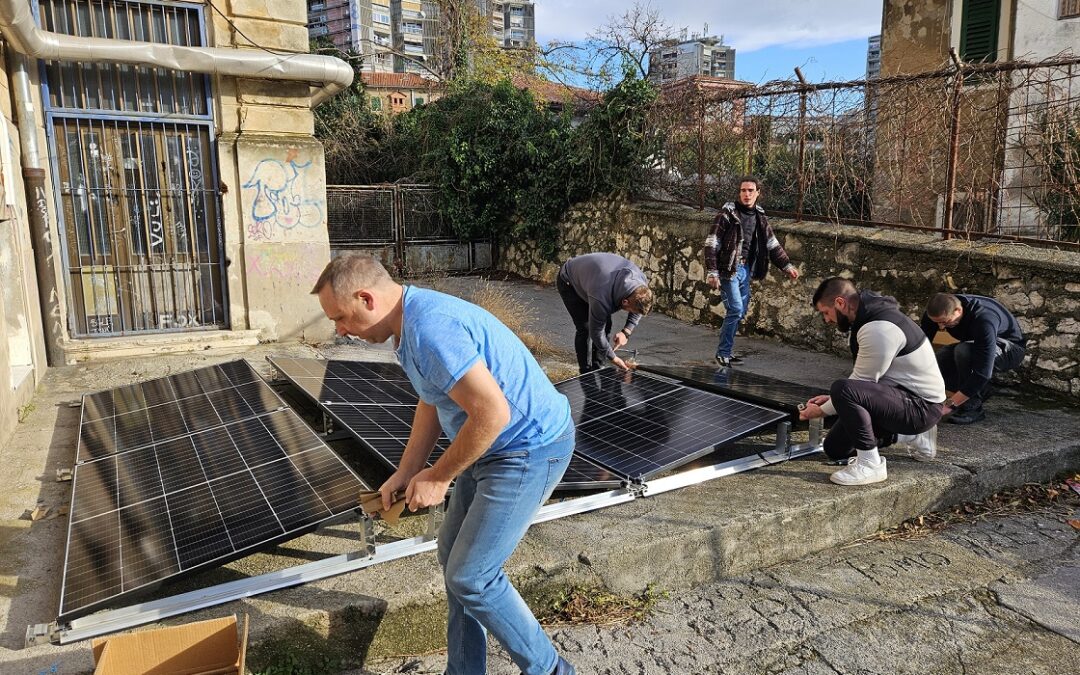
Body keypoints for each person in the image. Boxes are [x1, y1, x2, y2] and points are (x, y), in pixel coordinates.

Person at [312, 255, 577, 675]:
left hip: (529, 449)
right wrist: (406, 470)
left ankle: (553, 671)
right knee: (452, 556)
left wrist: (438, 476)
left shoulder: (430, 327)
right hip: (491, 446)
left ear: (366, 298)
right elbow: (434, 397)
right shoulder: (408, 323)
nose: (340, 331)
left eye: (341, 318)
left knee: (473, 576)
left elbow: (493, 415)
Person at [799, 278, 946, 486]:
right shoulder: (867, 318)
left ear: (840, 303)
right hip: (898, 398)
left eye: (826, 312)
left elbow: (859, 383)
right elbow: (862, 384)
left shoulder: (879, 328)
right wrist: (833, 400)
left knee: (842, 389)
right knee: (835, 449)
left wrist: (822, 410)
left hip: (921, 407)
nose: (827, 320)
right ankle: (911, 437)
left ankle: (871, 465)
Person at [704, 176, 799, 367]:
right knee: (736, 309)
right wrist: (712, 271)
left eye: (750, 190)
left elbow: (772, 244)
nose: (746, 194)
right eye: (743, 190)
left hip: (746, 269)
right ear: (739, 193)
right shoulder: (727, 214)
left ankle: (726, 352)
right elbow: (712, 242)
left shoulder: (759, 216)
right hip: (728, 269)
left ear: (757, 193)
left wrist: (786, 266)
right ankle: (722, 353)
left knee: (740, 311)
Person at [921, 293, 1025, 425]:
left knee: (963, 351)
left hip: (1010, 349)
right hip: (973, 344)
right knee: (941, 359)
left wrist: (948, 406)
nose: (941, 327)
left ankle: (973, 408)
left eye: (945, 322)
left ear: (958, 311)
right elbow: (920, 348)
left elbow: (983, 372)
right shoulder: (937, 315)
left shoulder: (984, 319)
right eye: (937, 323)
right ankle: (981, 390)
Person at [557, 252, 653, 373]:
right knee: (585, 328)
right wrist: (613, 358)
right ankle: (586, 372)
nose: (632, 312)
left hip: (593, 280)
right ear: (625, 302)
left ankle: (598, 367)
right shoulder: (601, 296)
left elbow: (639, 308)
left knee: (606, 325)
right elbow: (596, 332)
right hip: (569, 282)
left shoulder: (640, 283)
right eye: (630, 310)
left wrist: (626, 332)